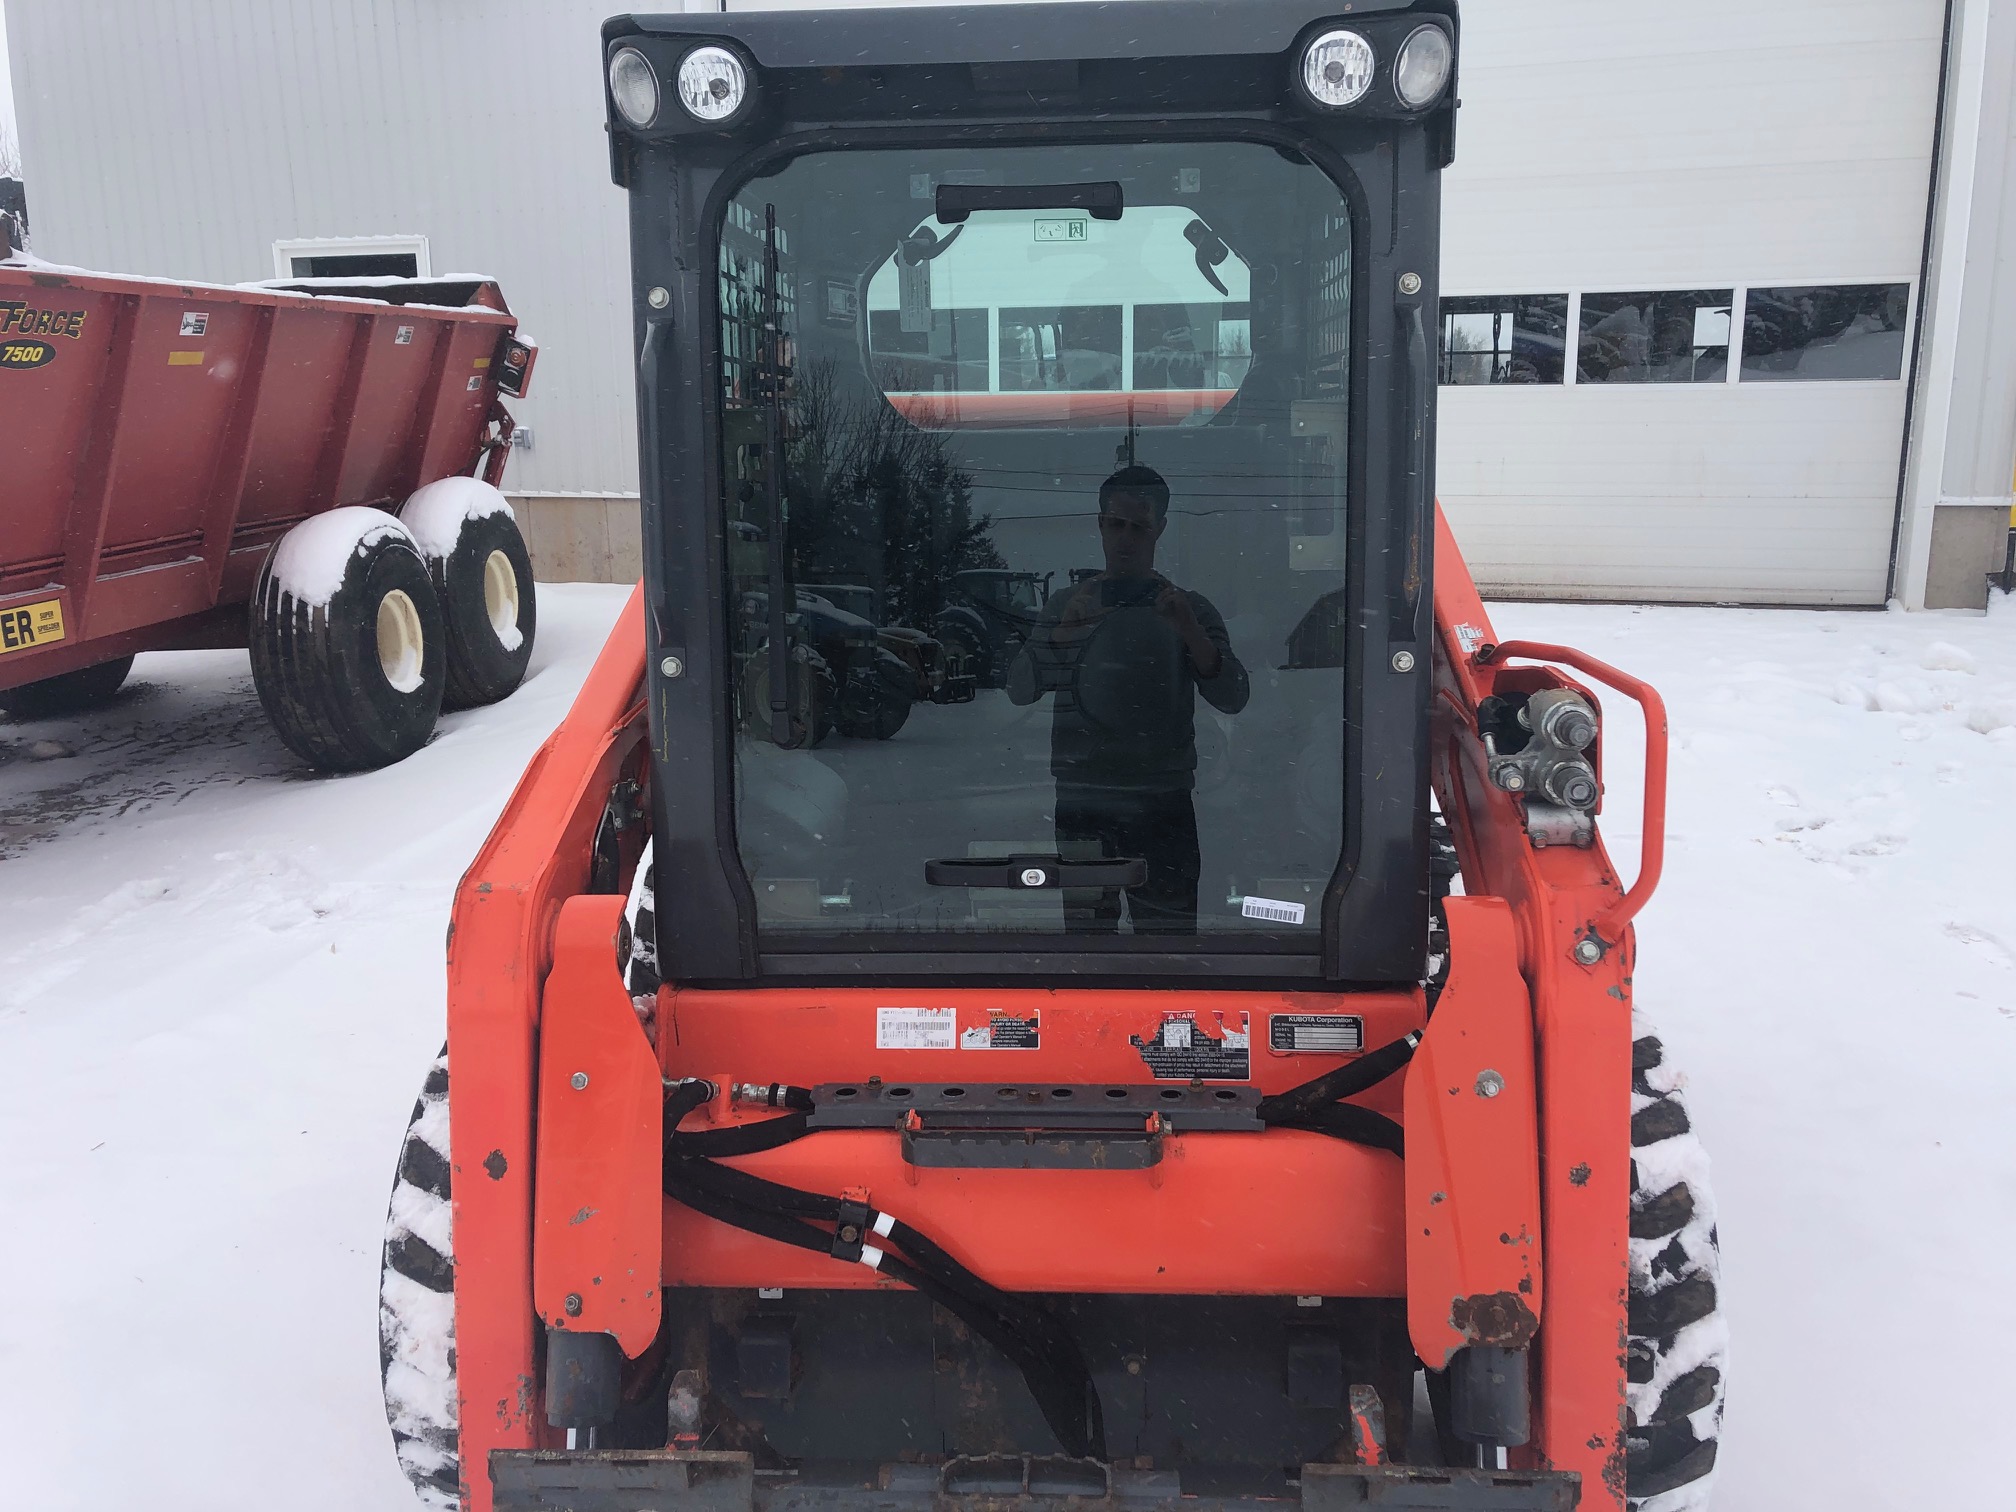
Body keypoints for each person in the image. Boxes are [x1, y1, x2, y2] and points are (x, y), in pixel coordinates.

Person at [1007, 465, 1249, 933]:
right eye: (1116, 525)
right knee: (1087, 942)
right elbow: (1018, 690)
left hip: (1162, 802)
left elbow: (1234, 696)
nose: (1126, 539)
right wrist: (1060, 635)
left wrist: (1190, 633)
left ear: (1159, 529)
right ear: (1099, 524)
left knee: (1169, 945)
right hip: (1085, 800)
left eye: (1138, 527)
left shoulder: (1188, 609)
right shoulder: (1067, 605)